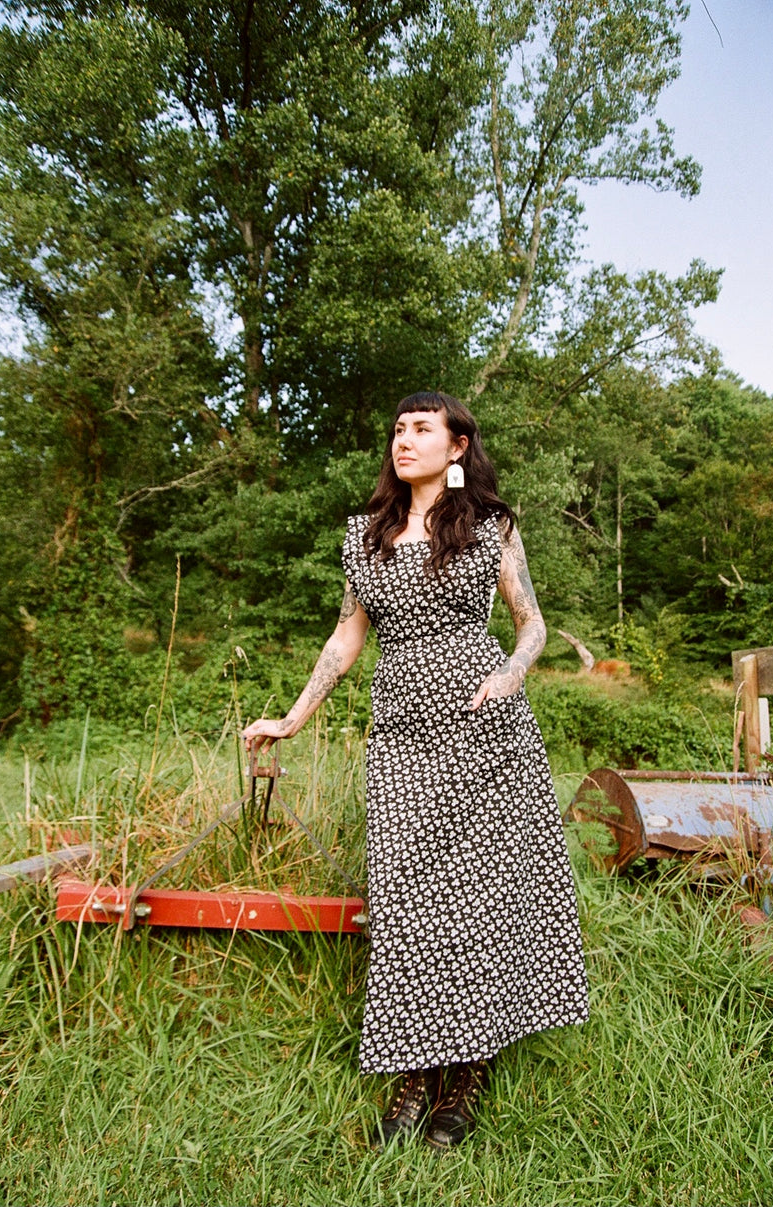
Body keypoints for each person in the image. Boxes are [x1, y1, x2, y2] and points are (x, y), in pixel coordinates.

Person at [243, 391, 589, 1150]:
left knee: (481, 899)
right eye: (397, 428)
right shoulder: (365, 538)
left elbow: (529, 621)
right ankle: (412, 1073)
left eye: (422, 429)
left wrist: (515, 672)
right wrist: (292, 717)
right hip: (401, 733)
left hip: (485, 724)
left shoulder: (492, 526)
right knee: (407, 903)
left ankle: (466, 1070)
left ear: (457, 445)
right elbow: (345, 638)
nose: (405, 440)